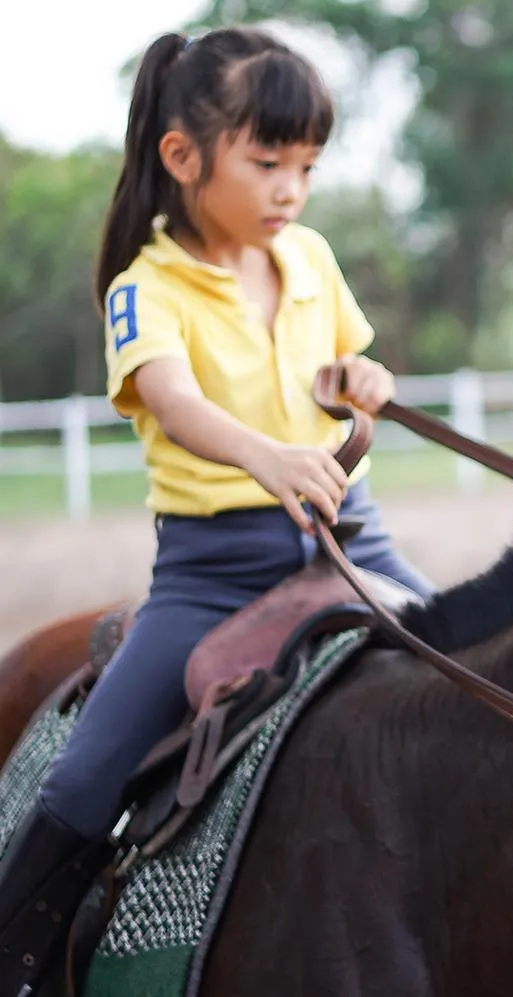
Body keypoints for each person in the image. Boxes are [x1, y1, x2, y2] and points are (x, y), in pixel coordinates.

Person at [0, 27, 433, 990]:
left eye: (308, 166)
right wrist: (269, 455)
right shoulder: (145, 287)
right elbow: (174, 400)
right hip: (215, 569)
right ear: (184, 157)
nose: (291, 188)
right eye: (268, 161)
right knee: (82, 777)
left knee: (484, 667)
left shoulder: (310, 258)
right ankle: (17, 958)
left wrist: (361, 377)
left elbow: (357, 363)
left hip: (353, 540)